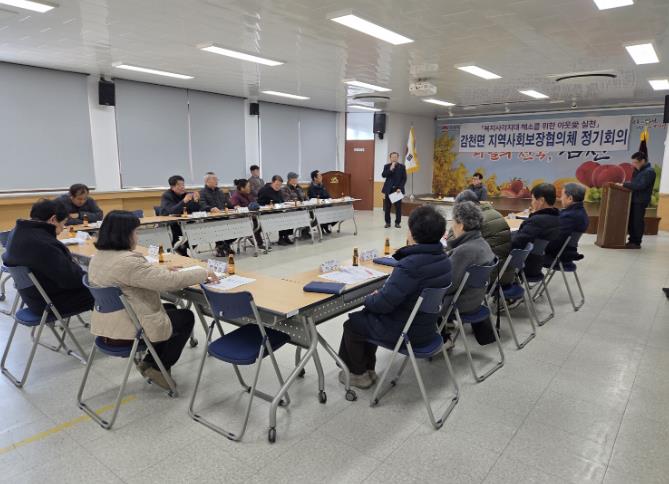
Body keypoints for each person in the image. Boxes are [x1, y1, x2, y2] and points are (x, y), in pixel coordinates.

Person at [88, 211, 218, 390]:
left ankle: (149, 362)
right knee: (186, 317)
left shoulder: (99, 256)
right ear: (124, 234)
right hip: (127, 332)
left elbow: (140, 276)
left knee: (170, 309)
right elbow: (169, 283)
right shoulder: (127, 262)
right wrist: (203, 273)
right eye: (136, 232)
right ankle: (158, 367)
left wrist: (161, 271)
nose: (137, 236)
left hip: (109, 325)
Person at [337, 206, 451, 389]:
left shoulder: (410, 265)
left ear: (412, 233)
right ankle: (368, 369)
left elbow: (383, 304)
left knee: (353, 324)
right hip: (428, 327)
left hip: (408, 332)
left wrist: (369, 298)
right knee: (366, 317)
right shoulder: (445, 259)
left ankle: (359, 374)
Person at [2, 199, 94, 316]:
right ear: (53, 219)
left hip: (32, 297)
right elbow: (71, 280)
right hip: (49, 303)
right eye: (63, 223)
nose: (62, 228)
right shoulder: (43, 244)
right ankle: (106, 327)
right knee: (104, 289)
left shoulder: (18, 231)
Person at [444, 201, 496, 345]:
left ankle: (442, 338)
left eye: (453, 222)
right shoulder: (483, 243)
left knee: (423, 295)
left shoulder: (464, 251)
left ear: (461, 225)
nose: (451, 226)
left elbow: (448, 285)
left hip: (461, 303)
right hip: (477, 299)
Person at [448, 190, 512, 285]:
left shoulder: (475, 219)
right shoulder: (495, 213)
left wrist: (454, 227)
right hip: (504, 270)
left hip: (489, 277)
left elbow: (453, 244)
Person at [511, 183, 560, 278]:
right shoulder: (557, 217)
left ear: (541, 200)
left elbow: (517, 243)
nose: (531, 203)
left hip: (524, 265)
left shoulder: (537, 221)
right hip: (537, 263)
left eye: (533, 199)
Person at [619, 151, 656, 249]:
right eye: (633, 162)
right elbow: (633, 183)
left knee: (637, 222)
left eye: (635, 162)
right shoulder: (637, 171)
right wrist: (626, 184)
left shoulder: (649, 172)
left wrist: (624, 184)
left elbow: (640, 186)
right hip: (633, 199)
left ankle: (636, 242)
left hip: (640, 201)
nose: (633, 164)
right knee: (631, 221)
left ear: (643, 161)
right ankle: (631, 241)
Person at [545, 183, 589, 264]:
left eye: (562, 195)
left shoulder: (569, 217)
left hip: (557, 254)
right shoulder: (579, 211)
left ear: (570, 198)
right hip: (567, 249)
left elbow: (556, 240)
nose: (560, 198)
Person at [199, 172, 235, 257]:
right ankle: (221, 246)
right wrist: (210, 209)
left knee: (238, 228)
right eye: (214, 179)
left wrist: (234, 207)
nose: (217, 181)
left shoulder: (220, 191)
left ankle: (223, 246)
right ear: (207, 181)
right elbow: (202, 205)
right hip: (212, 219)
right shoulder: (202, 192)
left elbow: (227, 203)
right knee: (219, 228)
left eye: (217, 179)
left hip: (224, 217)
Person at [257, 175, 293, 246]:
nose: (278, 187)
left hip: (277, 210)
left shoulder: (279, 190)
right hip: (266, 213)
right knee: (283, 218)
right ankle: (281, 238)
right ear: (272, 182)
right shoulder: (264, 190)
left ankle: (286, 237)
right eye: (277, 184)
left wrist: (286, 204)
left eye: (280, 185)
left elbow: (281, 201)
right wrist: (268, 206)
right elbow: (260, 204)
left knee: (289, 215)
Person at [230, 178, 264, 249]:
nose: (250, 188)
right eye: (248, 186)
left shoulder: (249, 195)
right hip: (242, 220)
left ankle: (258, 242)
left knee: (263, 222)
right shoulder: (235, 196)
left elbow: (255, 204)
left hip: (252, 217)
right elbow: (237, 209)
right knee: (256, 224)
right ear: (242, 188)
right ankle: (259, 243)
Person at [381, 152, 407, 229]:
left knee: (398, 208)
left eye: (395, 157)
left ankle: (397, 223)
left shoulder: (402, 167)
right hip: (388, 190)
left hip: (397, 191)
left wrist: (400, 188)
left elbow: (404, 178)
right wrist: (390, 169)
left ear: (397, 158)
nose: (394, 158)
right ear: (390, 158)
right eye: (392, 157)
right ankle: (387, 223)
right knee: (387, 208)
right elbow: (383, 175)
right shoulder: (387, 166)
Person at [307, 170, 335, 234]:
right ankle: (323, 226)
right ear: (315, 178)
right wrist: (324, 198)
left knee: (337, 212)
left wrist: (329, 199)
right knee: (327, 210)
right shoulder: (311, 188)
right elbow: (315, 198)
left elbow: (328, 195)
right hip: (317, 208)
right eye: (320, 176)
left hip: (326, 205)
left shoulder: (322, 186)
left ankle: (325, 225)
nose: (321, 177)